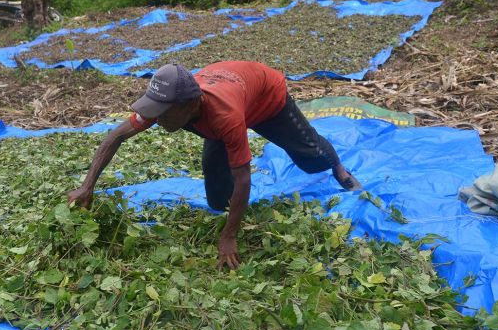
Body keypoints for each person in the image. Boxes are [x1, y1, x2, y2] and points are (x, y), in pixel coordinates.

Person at [68, 61, 362, 269]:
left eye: (164, 113)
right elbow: (115, 137)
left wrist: (228, 236)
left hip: (267, 97)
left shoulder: (224, 117)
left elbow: (244, 178)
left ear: (189, 105)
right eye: (155, 111)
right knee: (216, 197)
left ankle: (337, 166)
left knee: (310, 158)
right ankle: (229, 211)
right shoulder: (170, 107)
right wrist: (87, 186)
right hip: (231, 95)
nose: (158, 120)